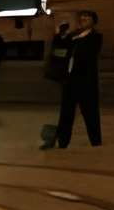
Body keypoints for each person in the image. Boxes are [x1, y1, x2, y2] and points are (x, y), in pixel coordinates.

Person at [43, 11, 104, 149]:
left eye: (87, 19)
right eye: (81, 19)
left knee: (90, 112)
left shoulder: (95, 37)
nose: (83, 21)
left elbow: (88, 54)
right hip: (69, 80)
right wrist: (60, 34)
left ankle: (95, 140)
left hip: (86, 81)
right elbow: (58, 49)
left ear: (93, 22)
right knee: (66, 113)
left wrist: (74, 42)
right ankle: (63, 141)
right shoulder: (72, 36)